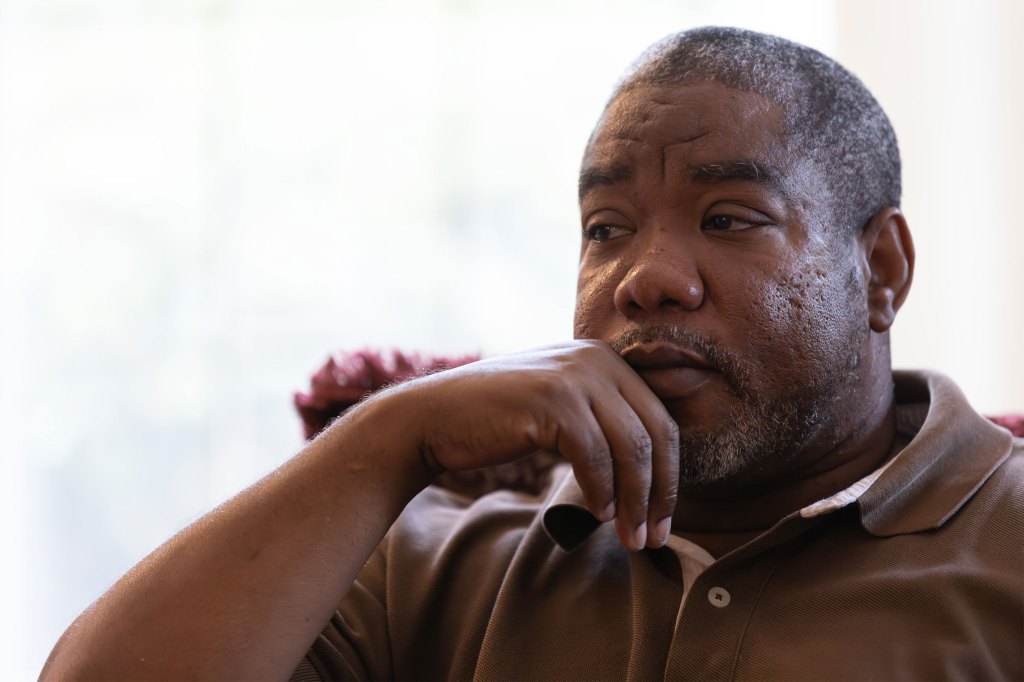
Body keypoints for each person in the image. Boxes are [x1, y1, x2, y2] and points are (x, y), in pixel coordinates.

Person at [42, 26, 1022, 681]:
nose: (645, 278)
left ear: (881, 268)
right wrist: (391, 435)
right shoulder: (442, 555)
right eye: (605, 229)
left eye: (728, 218)